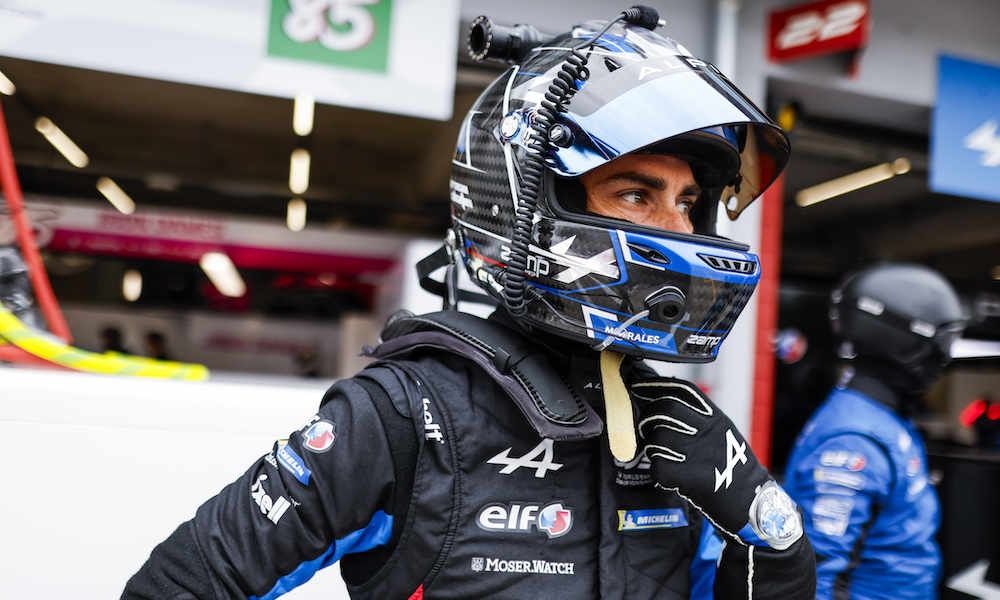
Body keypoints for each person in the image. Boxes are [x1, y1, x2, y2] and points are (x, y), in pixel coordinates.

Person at [122, 8, 815, 599]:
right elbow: (175, 585)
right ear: (523, 206)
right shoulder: (403, 415)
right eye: (637, 195)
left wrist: (771, 528)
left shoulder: (678, 427)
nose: (679, 229)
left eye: (688, 202)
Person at [783, 263, 967, 599]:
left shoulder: (884, 417)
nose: (944, 359)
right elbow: (818, 577)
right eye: (943, 343)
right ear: (907, 342)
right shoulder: (856, 440)